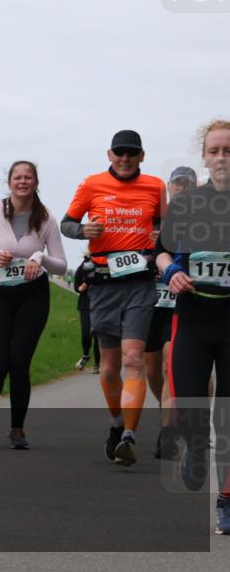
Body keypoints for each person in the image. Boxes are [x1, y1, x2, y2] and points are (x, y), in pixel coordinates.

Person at [61, 130, 166, 467]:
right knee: (109, 367)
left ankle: (129, 437)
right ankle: (117, 423)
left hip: (140, 283)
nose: (125, 159)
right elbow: (66, 223)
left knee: (133, 358)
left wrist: (162, 236)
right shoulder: (91, 184)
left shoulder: (156, 186)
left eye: (131, 153)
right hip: (104, 284)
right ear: (109, 154)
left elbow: (168, 228)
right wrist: (82, 230)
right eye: (119, 153)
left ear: (142, 156)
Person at [155, 119, 230, 534]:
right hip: (193, 317)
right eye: (214, 151)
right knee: (189, 404)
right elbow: (161, 253)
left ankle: (227, 500)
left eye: (228, 151)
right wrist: (171, 273)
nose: (222, 158)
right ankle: (196, 448)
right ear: (204, 157)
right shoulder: (186, 205)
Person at [0, 161, 67, 449]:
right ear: (9, 182)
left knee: (19, 363)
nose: (22, 182)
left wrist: (40, 258)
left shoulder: (46, 219)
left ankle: (17, 429)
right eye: (17, 177)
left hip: (32, 296)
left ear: (36, 183)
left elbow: (61, 265)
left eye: (28, 177)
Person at [148, 166, 198, 460]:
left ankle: (169, 429)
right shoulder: (153, 216)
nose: (181, 189)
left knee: (170, 366)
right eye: (177, 184)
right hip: (152, 300)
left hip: (181, 300)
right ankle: (169, 409)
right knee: (152, 370)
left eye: (186, 184)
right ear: (168, 188)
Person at [74, 255, 102, 373]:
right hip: (85, 304)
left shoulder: (104, 263)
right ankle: (86, 355)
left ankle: (97, 363)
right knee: (86, 333)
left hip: (101, 304)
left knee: (97, 334)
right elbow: (77, 284)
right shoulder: (84, 264)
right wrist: (80, 287)